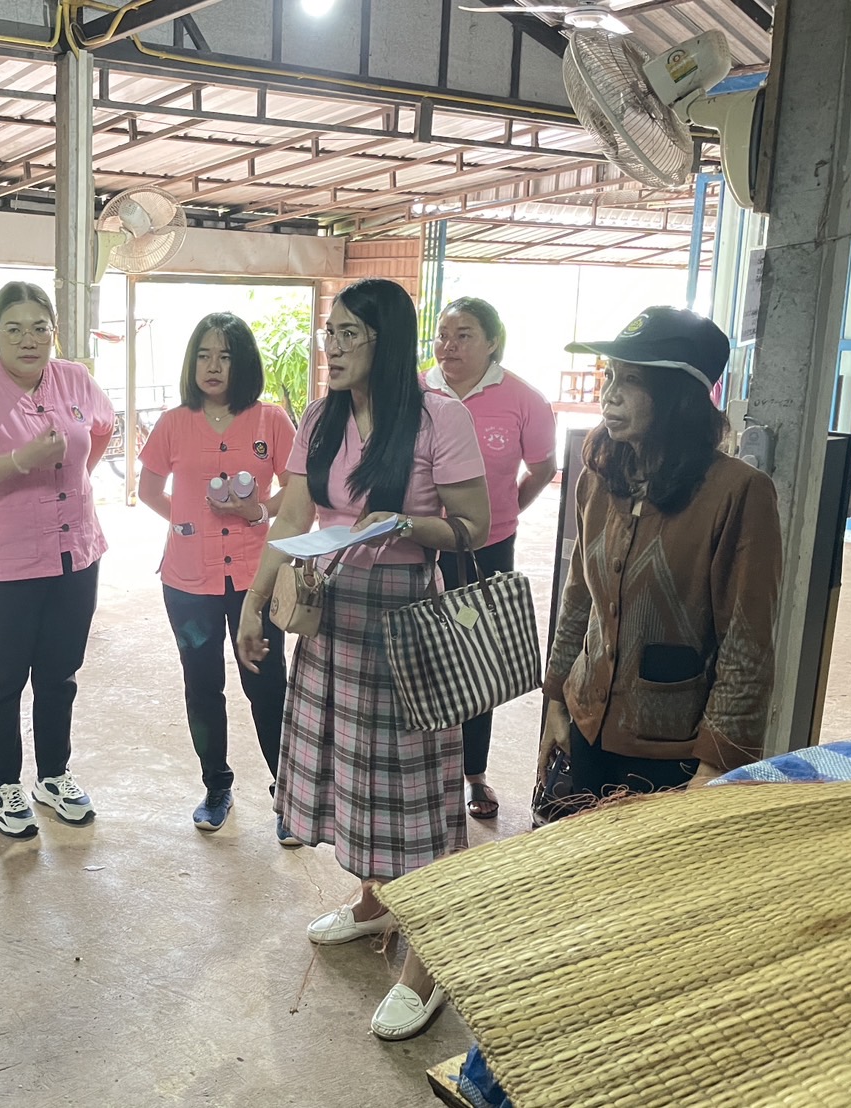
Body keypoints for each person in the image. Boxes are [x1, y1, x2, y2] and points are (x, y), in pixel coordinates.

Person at [235, 277, 490, 1042]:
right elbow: (290, 514)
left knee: (414, 788)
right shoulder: (320, 415)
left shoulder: (438, 416)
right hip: (330, 618)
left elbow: (473, 524)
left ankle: (428, 962)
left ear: (385, 340)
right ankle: (376, 903)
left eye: (349, 334)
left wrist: (407, 522)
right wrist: (253, 603)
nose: (332, 347)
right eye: (329, 333)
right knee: (352, 776)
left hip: (405, 626)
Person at [542, 306, 781, 801]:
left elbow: (746, 644)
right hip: (587, 728)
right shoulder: (599, 478)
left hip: (673, 751)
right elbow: (578, 601)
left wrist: (716, 766)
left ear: (678, 398)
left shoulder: (737, 493)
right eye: (610, 375)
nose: (609, 393)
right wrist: (556, 700)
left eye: (631, 380)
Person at [0, 281, 114, 839]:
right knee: (7, 674)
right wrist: (21, 460)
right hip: (5, 564)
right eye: (14, 328)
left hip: (75, 553)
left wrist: (72, 476)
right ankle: (3, 784)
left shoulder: (77, 379)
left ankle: (53, 775)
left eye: (40, 327)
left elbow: (102, 430)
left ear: (53, 332)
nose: (29, 339)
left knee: (60, 673)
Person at [137, 312, 296, 836]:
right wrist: (186, 524)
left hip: (257, 577)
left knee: (267, 683)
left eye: (224, 355)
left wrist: (259, 514)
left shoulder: (270, 421)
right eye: (203, 355)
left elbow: (297, 493)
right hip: (187, 583)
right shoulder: (174, 422)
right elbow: (149, 489)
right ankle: (216, 786)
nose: (212, 366)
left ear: (242, 362)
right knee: (202, 685)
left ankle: (287, 793)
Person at [426, 297, 557, 820]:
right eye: (442, 334)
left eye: (464, 335)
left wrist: (500, 516)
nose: (449, 345)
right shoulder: (415, 391)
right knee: (425, 656)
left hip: (487, 550)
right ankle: (425, 772)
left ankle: (473, 773)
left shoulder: (523, 399)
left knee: (479, 659)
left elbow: (543, 469)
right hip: (422, 546)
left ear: (493, 341)